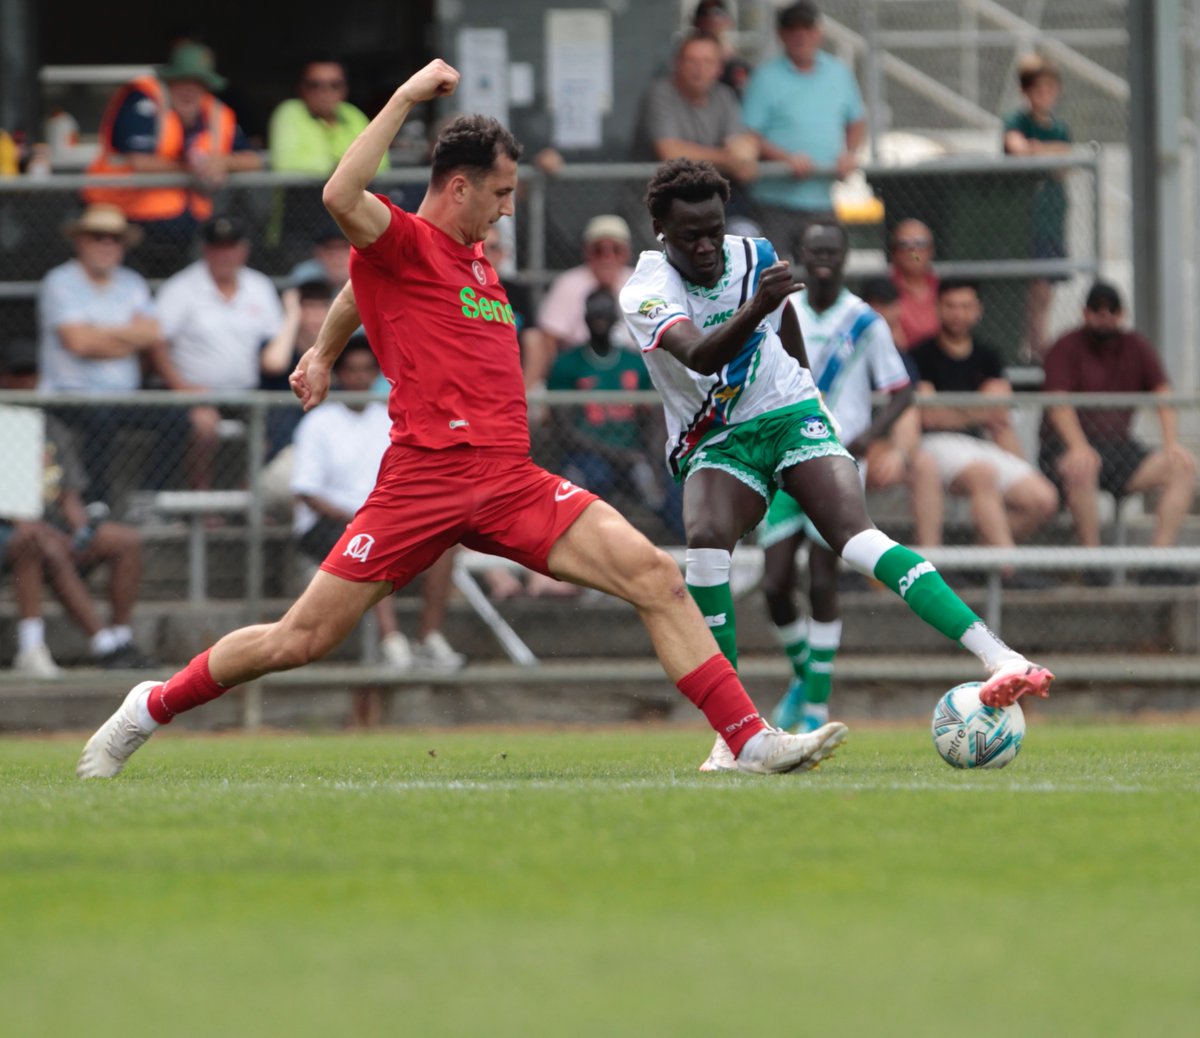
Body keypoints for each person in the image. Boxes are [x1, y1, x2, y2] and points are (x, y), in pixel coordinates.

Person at [77, 59, 852, 781]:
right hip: (425, 479)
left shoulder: (467, 256)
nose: (509, 207)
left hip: (510, 479)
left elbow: (358, 289)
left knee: (655, 574)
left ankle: (746, 740)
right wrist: (409, 98)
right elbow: (340, 198)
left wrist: (320, 350)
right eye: (502, 193)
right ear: (457, 188)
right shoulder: (407, 240)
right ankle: (151, 704)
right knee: (300, 641)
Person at [617, 158, 1052, 769]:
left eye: (714, 229)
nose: (708, 245)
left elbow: (782, 314)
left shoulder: (753, 254)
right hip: (715, 437)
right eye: (691, 235)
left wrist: (802, 386)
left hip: (791, 412)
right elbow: (700, 357)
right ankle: (735, 733)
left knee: (855, 537)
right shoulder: (645, 290)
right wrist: (756, 308)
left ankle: (999, 656)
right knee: (708, 542)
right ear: (660, 229)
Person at [758, 220, 916, 733]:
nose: (823, 258)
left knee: (823, 577)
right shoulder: (784, 312)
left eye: (832, 251)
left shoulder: (865, 322)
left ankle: (816, 709)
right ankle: (806, 679)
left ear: (845, 258)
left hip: (838, 464)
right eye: (814, 250)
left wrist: (870, 438)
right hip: (784, 462)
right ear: (801, 255)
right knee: (776, 584)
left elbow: (901, 391)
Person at [290, 336, 464, 691]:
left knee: (446, 544)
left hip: (382, 520)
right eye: (352, 370)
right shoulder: (318, 422)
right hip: (326, 525)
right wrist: (358, 517)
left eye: (367, 370)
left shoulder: (388, 418)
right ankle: (392, 644)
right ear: (340, 376)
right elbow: (307, 493)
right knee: (370, 542)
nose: (359, 378)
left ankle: (428, 639)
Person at [1, 344, 155, 673]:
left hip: (50, 527)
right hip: (11, 530)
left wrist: (81, 531)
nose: (26, 381)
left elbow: (68, 494)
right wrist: (47, 532)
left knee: (124, 540)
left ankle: (120, 635)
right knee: (39, 543)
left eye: (32, 374)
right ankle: (83, 648)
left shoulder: (49, 426)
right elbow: (13, 511)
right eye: (18, 374)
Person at [1039, 281, 1197, 574]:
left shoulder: (1135, 345)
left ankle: (1158, 564)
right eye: (1097, 309)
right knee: (1082, 465)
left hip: (1118, 450)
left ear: (1122, 314)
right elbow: (1058, 404)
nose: (1104, 316)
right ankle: (1093, 564)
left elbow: (1163, 392)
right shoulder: (1065, 346)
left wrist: (1171, 442)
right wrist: (1077, 446)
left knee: (1182, 467)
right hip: (1064, 449)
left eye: (1112, 310)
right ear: (1084, 313)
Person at [911, 279, 1059, 568]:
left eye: (966, 306)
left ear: (978, 310)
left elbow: (1000, 417)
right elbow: (930, 416)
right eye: (951, 306)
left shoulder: (989, 355)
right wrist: (981, 409)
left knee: (1044, 499)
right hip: (933, 445)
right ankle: (1009, 569)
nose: (958, 313)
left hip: (981, 443)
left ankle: (978, 559)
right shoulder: (921, 355)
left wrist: (960, 411)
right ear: (938, 309)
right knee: (984, 474)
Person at [84, 42, 262, 252]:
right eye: (181, 80)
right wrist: (194, 167)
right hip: (128, 222)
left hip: (190, 227)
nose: (189, 88)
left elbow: (255, 159)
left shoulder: (216, 112)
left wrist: (223, 161)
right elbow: (140, 161)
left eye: (198, 82)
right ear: (168, 80)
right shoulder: (143, 99)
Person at [37, 204, 160, 502]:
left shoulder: (133, 282)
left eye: (114, 238)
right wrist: (125, 336)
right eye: (98, 236)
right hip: (69, 396)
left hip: (125, 396)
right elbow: (78, 343)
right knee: (100, 421)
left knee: (182, 419)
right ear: (80, 241)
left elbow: (152, 335)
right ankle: (97, 505)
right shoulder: (59, 281)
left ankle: (148, 500)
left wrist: (96, 332)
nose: (107, 244)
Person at [154, 214, 284, 489]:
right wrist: (182, 388)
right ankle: (201, 497)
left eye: (231, 246)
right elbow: (156, 343)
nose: (224, 254)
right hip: (194, 393)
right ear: (205, 250)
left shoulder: (260, 286)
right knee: (203, 426)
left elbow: (273, 341)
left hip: (247, 392)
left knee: (275, 424)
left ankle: (250, 502)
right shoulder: (180, 288)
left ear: (244, 250)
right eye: (217, 247)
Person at [548, 287, 678, 538]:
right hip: (588, 455)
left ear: (616, 316)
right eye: (594, 311)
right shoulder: (567, 363)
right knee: (596, 478)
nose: (600, 317)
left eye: (605, 311)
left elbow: (652, 420)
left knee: (667, 490)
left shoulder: (634, 362)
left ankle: (679, 555)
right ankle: (596, 546)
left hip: (633, 454)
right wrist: (618, 455)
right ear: (584, 317)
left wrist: (652, 460)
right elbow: (563, 429)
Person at [741, 1, 866, 261]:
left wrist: (849, 153)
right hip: (773, 203)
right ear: (781, 34)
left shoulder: (839, 72)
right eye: (792, 28)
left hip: (822, 201)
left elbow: (857, 120)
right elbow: (749, 136)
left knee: (824, 276)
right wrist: (786, 160)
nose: (800, 35)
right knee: (774, 278)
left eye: (807, 28)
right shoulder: (765, 78)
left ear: (818, 32)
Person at [859, 276, 944, 546]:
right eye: (874, 306)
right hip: (838, 443)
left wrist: (900, 451)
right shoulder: (845, 349)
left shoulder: (898, 356)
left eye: (887, 305)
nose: (881, 314)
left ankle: (930, 563)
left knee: (925, 464)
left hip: (879, 446)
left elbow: (908, 410)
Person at [1002, 54, 1073, 361]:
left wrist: (1038, 151)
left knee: (1045, 289)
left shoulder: (1059, 128)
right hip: (1021, 216)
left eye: (1049, 88)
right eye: (1036, 89)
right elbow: (1016, 149)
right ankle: (1034, 347)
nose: (1043, 95)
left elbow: (1063, 164)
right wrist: (1046, 154)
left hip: (1050, 218)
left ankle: (1037, 346)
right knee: (1030, 287)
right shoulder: (1016, 121)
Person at [631, 30, 758, 194]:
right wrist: (727, 159)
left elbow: (743, 162)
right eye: (691, 61)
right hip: (655, 203)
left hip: (704, 202)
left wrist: (745, 153)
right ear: (677, 64)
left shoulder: (724, 95)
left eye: (708, 62)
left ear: (719, 68)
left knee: (741, 220)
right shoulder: (660, 93)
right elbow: (671, 153)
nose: (699, 69)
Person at [530, 214, 635, 385]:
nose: (607, 258)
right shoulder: (568, 283)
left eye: (615, 249)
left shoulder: (640, 283)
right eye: (598, 250)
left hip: (631, 372)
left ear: (626, 253)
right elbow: (549, 337)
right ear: (587, 252)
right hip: (580, 372)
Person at [268, 58, 386, 176]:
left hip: (351, 192)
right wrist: (340, 168)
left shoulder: (353, 114)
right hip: (306, 193)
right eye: (314, 85)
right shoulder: (289, 112)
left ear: (345, 89)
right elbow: (286, 163)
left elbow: (382, 161)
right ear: (301, 88)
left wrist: (340, 169)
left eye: (334, 85)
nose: (324, 92)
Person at [888, 218, 940, 350]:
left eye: (920, 243)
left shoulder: (942, 289)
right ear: (894, 253)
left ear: (931, 250)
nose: (913, 251)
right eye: (904, 244)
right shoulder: (885, 291)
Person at [691, 0, 752, 98]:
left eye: (718, 12)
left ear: (727, 21)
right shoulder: (683, 61)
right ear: (696, 22)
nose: (711, 18)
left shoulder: (737, 65)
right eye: (704, 13)